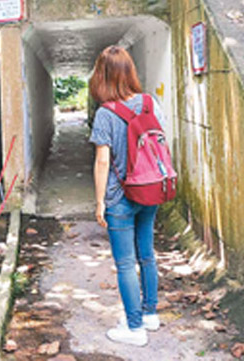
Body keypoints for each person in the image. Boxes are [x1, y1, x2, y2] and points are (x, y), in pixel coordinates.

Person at [88, 45, 165, 347]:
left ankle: (134, 328)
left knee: (125, 263)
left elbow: (102, 161)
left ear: (102, 76)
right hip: (150, 189)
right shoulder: (150, 103)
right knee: (146, 254)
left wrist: (99, 203)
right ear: (130, 71)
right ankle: (149, 314)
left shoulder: (105, 114)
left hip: (120, 197)